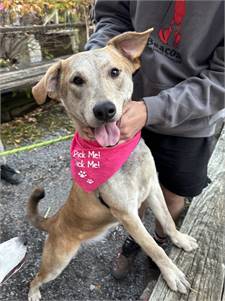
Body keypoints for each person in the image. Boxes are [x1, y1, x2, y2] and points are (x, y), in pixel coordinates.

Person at [85, 0, 225, 279]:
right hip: (123, 108)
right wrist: (95, 61)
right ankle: (137, 239)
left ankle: (161, 238)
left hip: (190, 121)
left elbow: (221, 79)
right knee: (132, 188)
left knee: (172, 192)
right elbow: (113, 15)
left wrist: (152, 110)